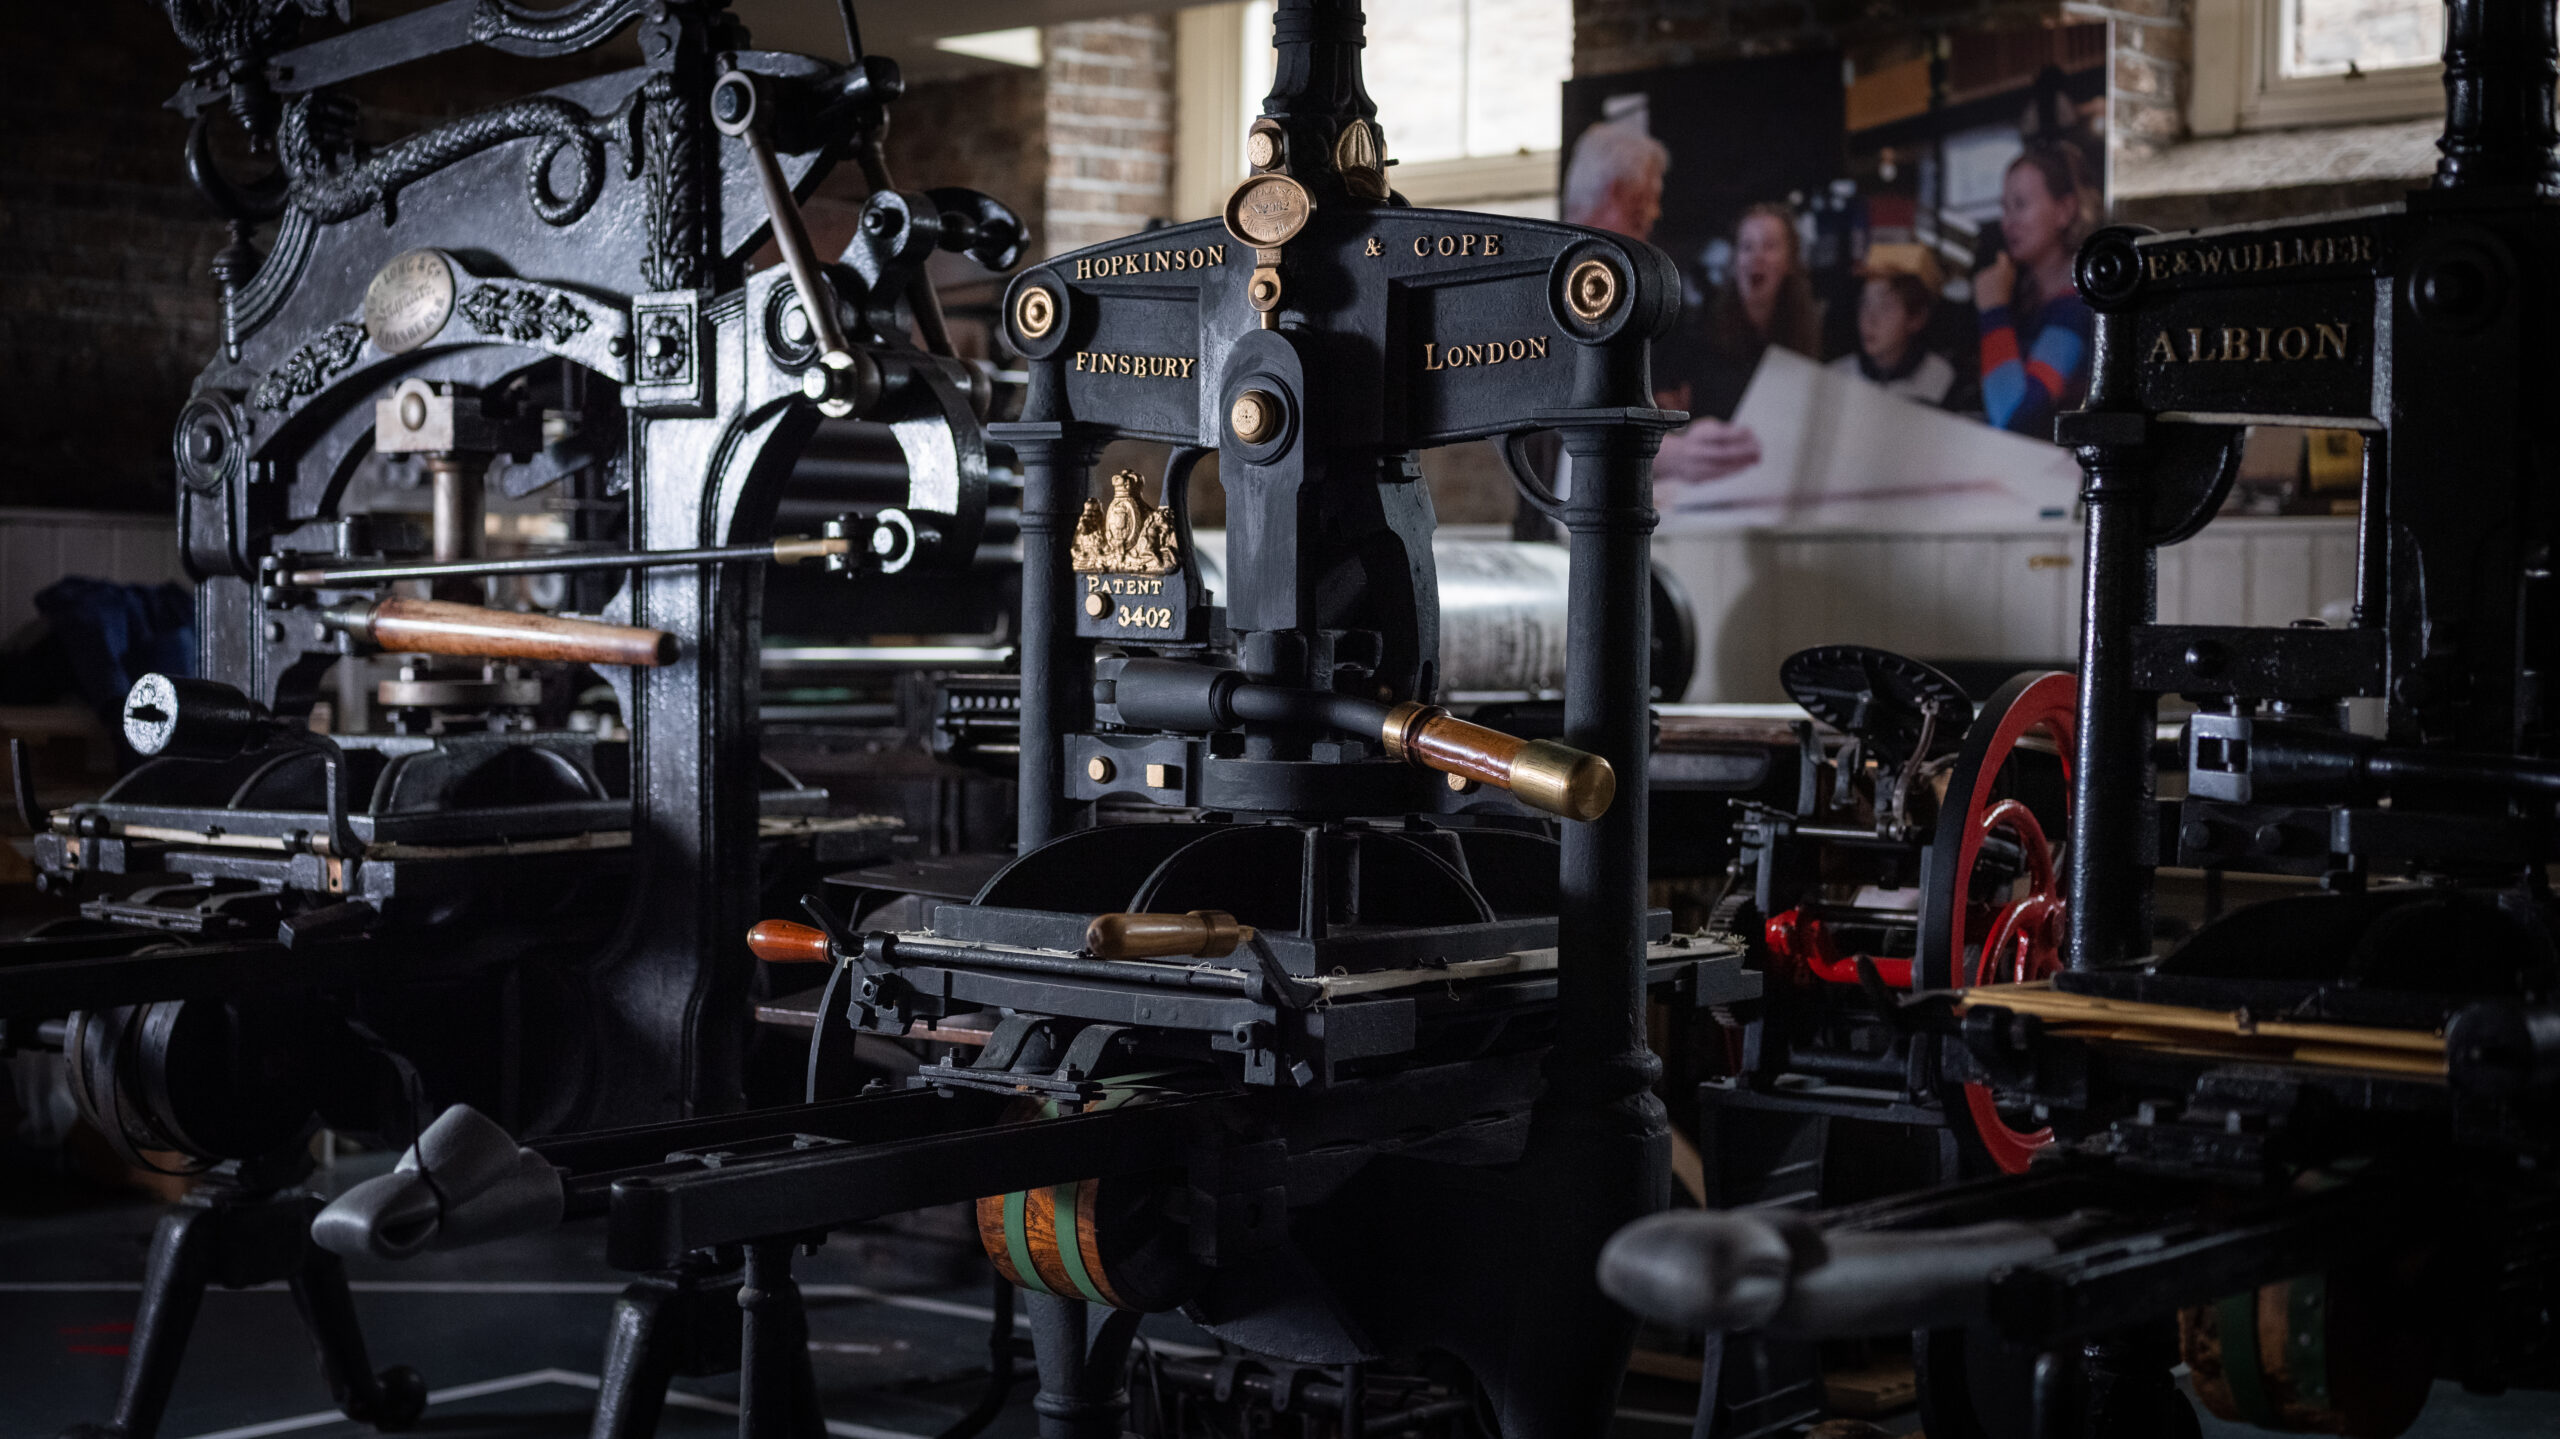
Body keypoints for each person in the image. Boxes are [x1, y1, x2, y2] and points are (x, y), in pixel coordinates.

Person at [1654, 203, 1822, 490]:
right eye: (1746, 247)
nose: (1756, 257)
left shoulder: (1809, 335)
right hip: (1710, 485)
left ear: (1790, 262)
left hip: (1778, 483)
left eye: (1769, 246)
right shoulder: (1698, 332)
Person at [1975, 143, 2096, 437]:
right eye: (2004, 207)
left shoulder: (2077, 305)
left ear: (2064, 211)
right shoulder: (2029, 297)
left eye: (2021, 205)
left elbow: (2012, 418)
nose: (2008, 223)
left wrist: (1993, 311)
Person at [1830, 247, 1956, 405]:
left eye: (1885, 307)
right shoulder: (1838, 373)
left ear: (1917, 318)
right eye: (1865, 303)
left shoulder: (1941, 379)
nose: (1870, 319)